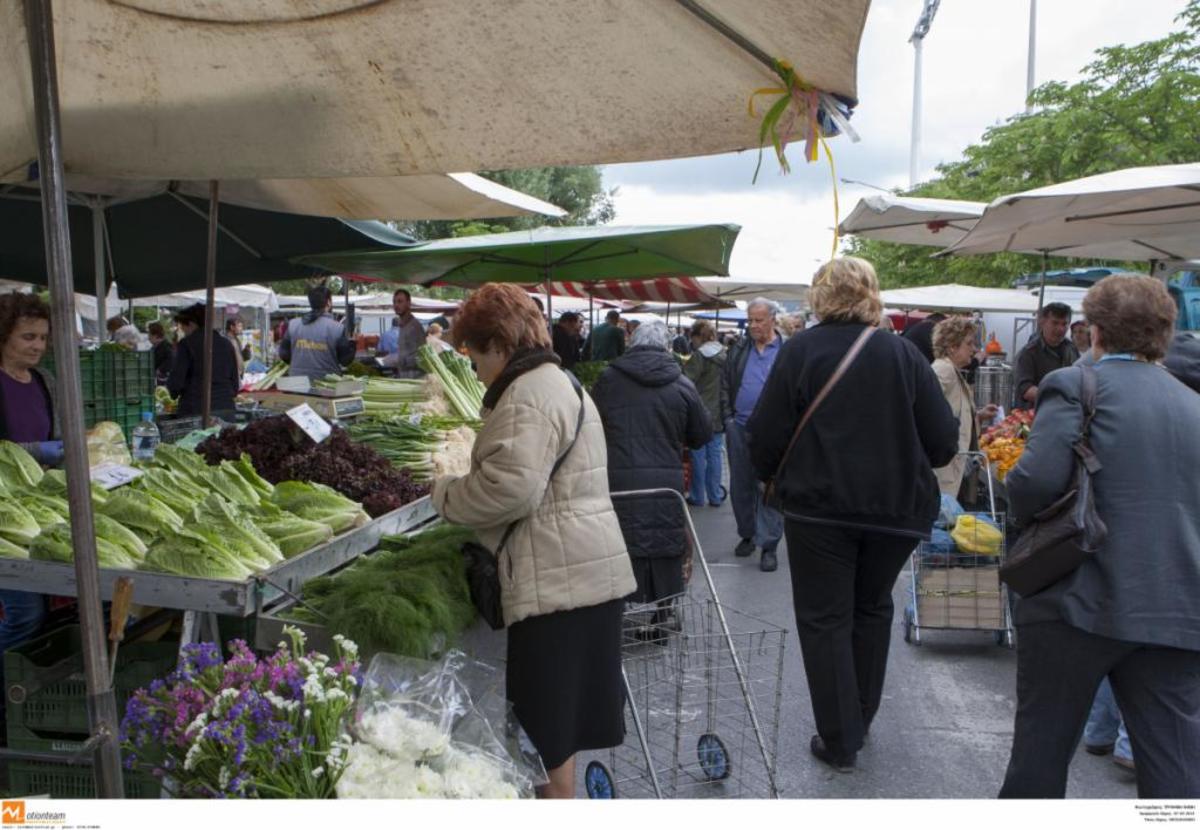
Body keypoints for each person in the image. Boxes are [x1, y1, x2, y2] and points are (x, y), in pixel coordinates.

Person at [746, 257, 958, 773]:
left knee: (824, 618)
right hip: (895, 511)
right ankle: (859, 717)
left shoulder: (799, 352)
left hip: (820, 510)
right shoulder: (903, 355)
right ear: (872, 295)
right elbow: (943, 444)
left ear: (819, 297)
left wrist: (779, 473)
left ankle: (841, 736)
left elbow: (763, 438)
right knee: (871, 608)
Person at [430, 283, 636, 799]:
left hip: (558, 588)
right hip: (585, 575)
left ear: (498, 345)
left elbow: (510, 490)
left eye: (475, 355)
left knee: (543, 741)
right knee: (559, 737)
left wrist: (447, 495)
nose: (475, 369)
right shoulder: (558, 380)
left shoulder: (528, 393)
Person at [999, 276, 1200, 799]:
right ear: (1163, 332)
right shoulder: (1192, 404)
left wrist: (1011, 481)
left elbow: (1033, 483)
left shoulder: (1074, 383)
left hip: (1077, 598)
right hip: (1175, 605)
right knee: (1174, 767)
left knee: (1040, 755)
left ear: (1096, 330)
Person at [591, 319, 711, 606]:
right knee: (665, 544)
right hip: (664, 483)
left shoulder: (608, 379)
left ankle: (618, 611)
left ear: (632, 342)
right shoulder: (682, 383)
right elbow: (702, 434)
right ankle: (663, 612)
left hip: (617, 479)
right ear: (666, 347)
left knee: (621, 542)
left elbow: (590, 425)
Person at [0, 293, 63, 718]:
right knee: (23, 613)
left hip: (39, 509)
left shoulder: (44, 382)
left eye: (42, 337)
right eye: (27, 336)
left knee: (44, 613)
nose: (37, 345)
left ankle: (18, 700)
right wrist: (35, 451)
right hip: (5, 515)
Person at [721, 297, 786, 572]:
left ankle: (768, 545)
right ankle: (747, 533)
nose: (754, 325)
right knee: (741, 485)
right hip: (739, 426)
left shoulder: (787, 349)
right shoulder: (739, 348)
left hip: (774, 430)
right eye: (751, 320)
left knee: (769, 486)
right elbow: (725, 383)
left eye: (759, 320)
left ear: (772, 319)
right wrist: (728, 417)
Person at [930, 317, 998, 497]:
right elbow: (925, 407)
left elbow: (950, 409)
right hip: (942, 472)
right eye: (969, 343)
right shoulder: (943, 369)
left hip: (950, 469)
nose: (974, 349)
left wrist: (978, 416)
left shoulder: (951, 370)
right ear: (952, 346)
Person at [167, 303, 240, 417]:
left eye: (183, 328)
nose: (183, 332)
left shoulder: (187, 344)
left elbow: (176, 382)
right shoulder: (226, 344)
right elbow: (235, 383)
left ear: (191, 324)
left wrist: (173, 393)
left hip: (196, 409)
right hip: (226, 408)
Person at [682, 320, 727, 507]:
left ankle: (697, 495)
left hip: (700, 411)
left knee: (698, 454)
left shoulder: (699, 356)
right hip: (719, 410)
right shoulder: (725, 354)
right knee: (715, 454)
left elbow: (686, 383)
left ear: (697, 336)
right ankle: (715, 495)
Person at [278, 285, 355, 381]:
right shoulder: (337, 328)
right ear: (329, 302)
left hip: (296, 382)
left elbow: (284, 354)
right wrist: (353, 344)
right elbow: (345, 360)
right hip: (327, 384)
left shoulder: (292, 325)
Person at [1013, 302, 1080, 408]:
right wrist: (1057, 398)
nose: (1060, 329)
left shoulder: (1072, 349)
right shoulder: (1029, 352)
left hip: (1066, 413)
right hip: (1035, 416)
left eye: (1064, 324)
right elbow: (1025, 389)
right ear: (1042, 322)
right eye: (1055, 323)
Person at [375, 288, 425, 379]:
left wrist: (398, 360)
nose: (396, 305)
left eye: (400, 301)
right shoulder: (402, 326)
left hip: (415, 379)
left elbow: (421, 357)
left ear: (409, 303)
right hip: (405, 378)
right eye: (394, 302)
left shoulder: (414, 327)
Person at [147, 321, 173, 387]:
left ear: (155, 336)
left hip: (162, 381)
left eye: (149, 334)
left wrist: (160, 370)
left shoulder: (165, 346)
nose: (148, 337)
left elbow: (171, 359)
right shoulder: (156, 346)